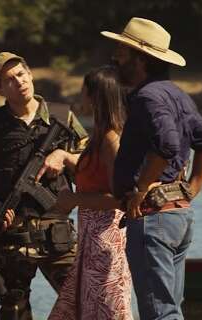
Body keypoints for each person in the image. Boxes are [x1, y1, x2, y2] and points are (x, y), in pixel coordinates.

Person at [101, 17, 202, 319]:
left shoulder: (148, 97)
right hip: (177, 215)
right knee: (169, 310)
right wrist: (191, 190)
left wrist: (142, 188)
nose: (115, 57)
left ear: (140, 59)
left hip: (153, 219)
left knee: (159, 313)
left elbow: (167, 145)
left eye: (121, 51)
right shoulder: (175, 94)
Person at [0, 52, 88, 320]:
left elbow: (92, 166)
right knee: (14, 312)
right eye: (9, 80)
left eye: (21, 74)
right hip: (11, 238)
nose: (19, 82)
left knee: (84, 303)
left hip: (58, 235)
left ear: (30, 74)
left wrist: (64, 156)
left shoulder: (64, 117)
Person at [47, 66, 133, 320]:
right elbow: (91, 171)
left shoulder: (110, 138)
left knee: (107, 309)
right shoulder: (98, 135)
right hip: (90, 240)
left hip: (107, 240)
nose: (79, 97)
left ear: (95, 96)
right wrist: (63, 155)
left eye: (83, 92)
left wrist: (74, 199)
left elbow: (121, 199)